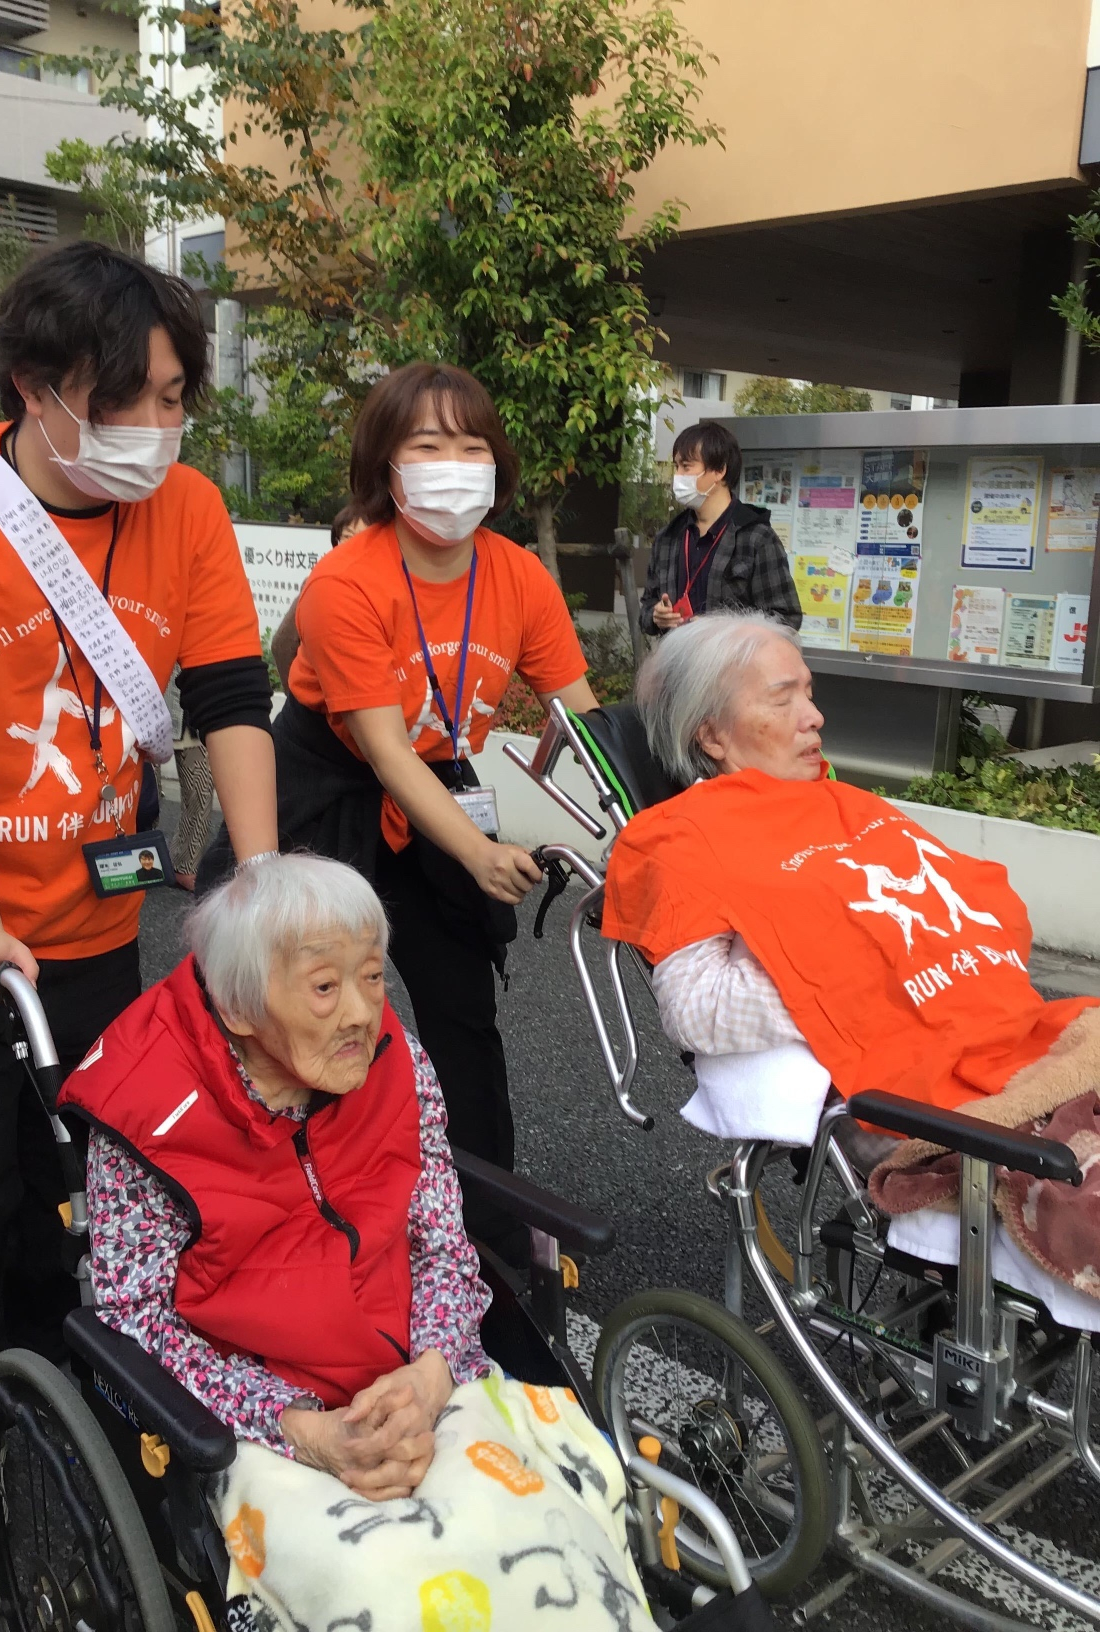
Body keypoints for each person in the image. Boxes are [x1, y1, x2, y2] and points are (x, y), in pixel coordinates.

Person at [0, 240, 278, 1544]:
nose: (156, 427)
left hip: (96, 916)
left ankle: (61, 1390)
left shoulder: (188, 508)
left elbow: (230, 698)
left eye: (174, 397)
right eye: (125, 400)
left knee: (92, 1179)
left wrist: (268, 882)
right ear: (37, 387)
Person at [59, 855, 648, 1631]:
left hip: (416, 1370)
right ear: (238, 1006)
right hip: (255, 1419)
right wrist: (300, 1426)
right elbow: (138, 1319)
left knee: (553, 1537)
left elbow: (438, 1242)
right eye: (324, 987)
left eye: (371, 977)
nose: (362, 1014)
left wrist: (432, 1372)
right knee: (386, 1588)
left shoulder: (393, 1059)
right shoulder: (145, 1114)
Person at [201, 363, 596, 1239]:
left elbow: (584, 719)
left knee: (463, 1012)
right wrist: (479, 851)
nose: (454, 465)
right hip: (326, 783)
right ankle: (284, 1210)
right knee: (296, 1004)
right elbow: (382, 749)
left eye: (472, 445)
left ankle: (489, 1225)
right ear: (386, 466)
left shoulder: (518, 576)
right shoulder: (348, 581)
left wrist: (647, 822)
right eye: (427, 445)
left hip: (437, 780)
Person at [601, 613, 1100, 1293]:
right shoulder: (682, 838)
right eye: (783, 699)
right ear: (712, 735)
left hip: (1024, 1037)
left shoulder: (845, 804)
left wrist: (908, 950)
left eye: (808, 692)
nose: (814, 716)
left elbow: (982, 914)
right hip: (924, 1092)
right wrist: (871, 964)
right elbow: (697, 1010)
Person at [640, 421, 801, 636]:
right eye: (676, 467)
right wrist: (655, 616)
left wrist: (724, 630)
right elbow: (646, 608)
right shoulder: (668, 537)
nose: (678, 476)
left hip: (732, 658)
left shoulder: (756, 537)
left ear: (719, 470)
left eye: (686, 467)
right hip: (676, 656)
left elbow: (786, 619)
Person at [269, 504, 368, 692]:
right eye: (347, 537)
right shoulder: (319, 585)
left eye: (363, 538)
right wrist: (300, 697)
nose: (353, 545)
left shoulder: (388, 589)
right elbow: (282, 644)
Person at [165, 668, 214, 890]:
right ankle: (134, 858)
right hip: (145, 708)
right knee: (144, 797)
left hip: (194, 709)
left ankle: (185, 865)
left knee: (201, 790)